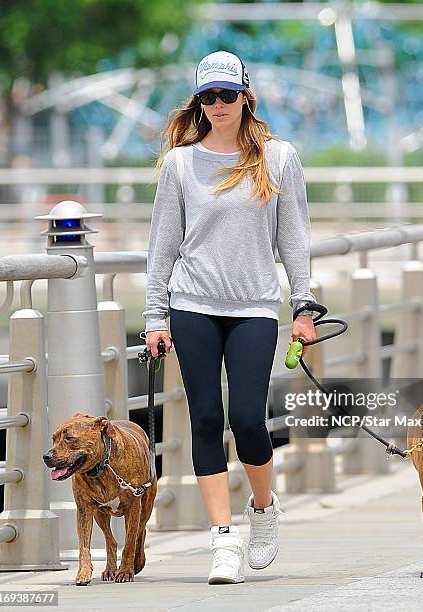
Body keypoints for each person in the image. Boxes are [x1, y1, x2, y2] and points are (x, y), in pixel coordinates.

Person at [142, 50, 317, 584]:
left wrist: (304, 306)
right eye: (208, 97)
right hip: (191, 303)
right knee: (205, 419)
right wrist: (155, 315)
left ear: (246, 97)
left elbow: (295, 241)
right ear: (199, 103)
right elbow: (163, 246)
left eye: (227, 95)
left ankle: (263, 509)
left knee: (247, 417)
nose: (218, 105)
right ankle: (222, 540)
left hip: (255, 307)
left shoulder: (279, 158)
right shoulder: (179, 163)